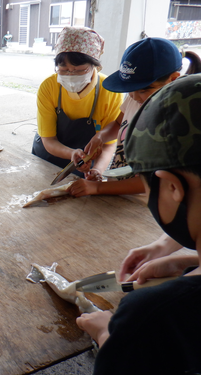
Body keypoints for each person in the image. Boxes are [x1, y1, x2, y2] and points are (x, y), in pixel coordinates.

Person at [76, 74, 201, 375]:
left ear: (172, 187)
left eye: (146, 187)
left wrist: (110, 335)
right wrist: (186, 263)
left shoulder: (151, 315)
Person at [69, 37, 201, 197]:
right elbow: (118, 123)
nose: (133, 95)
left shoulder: (176, 118)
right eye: (129, 89)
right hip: (116, 193)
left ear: (172, 79)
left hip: (146, 205)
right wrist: (101, 136)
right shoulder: (134, 99)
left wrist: (97, 189)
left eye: (142, 90)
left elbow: (156, 180)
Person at [32, 26, 122, 177]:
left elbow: (107, 144)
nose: (71, 74)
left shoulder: (109, 90)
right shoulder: (49, 87)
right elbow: (48, 140)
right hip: (48, 156)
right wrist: (72, 153)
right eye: (63, 68)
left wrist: (97, 171)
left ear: (95, 66)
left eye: (79, 70)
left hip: (86, 162)